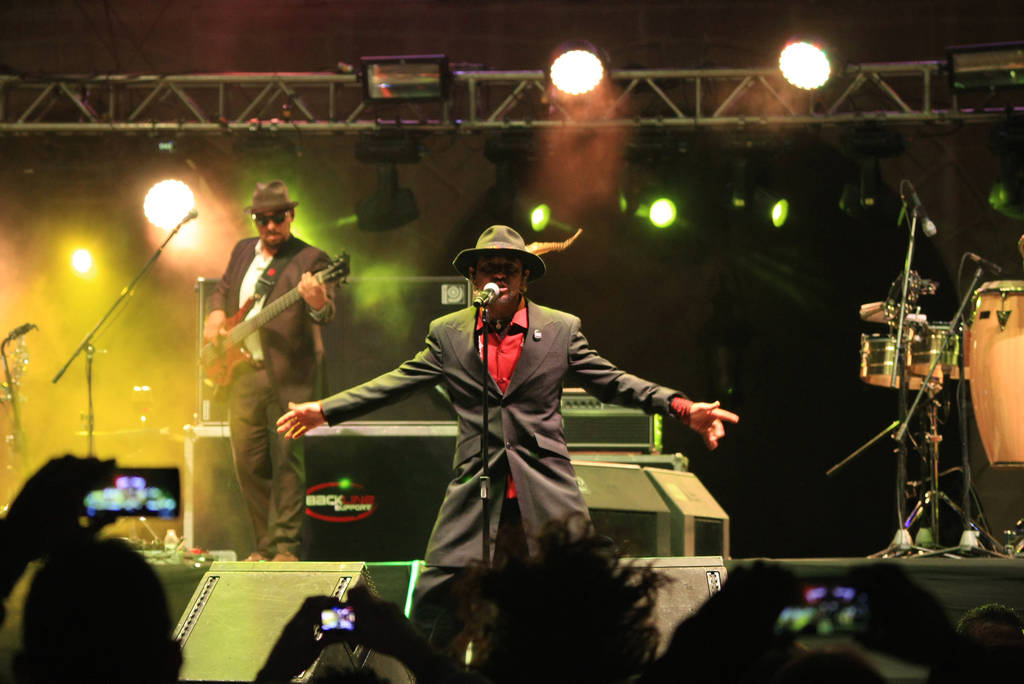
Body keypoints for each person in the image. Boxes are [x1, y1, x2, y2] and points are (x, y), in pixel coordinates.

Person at [276, 224, 738, 644]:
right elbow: (394, 383)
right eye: (488, 269)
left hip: (546, 494)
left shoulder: (559, 330)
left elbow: (615, 382)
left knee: (577, 609)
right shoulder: (450, 333)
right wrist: (325, 411)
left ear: (524, 278)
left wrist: (682, 408)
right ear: (473, 277)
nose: (498, 277)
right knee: (435, 609)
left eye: (509, 270)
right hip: (476, 496)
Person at [203, 179, 335, 562]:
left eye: (278, 218)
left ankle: (286, 548)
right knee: (248, 464)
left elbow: (326, 313)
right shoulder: (243, 250)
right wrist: (215, 313)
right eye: (262, 219)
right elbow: (222, 289)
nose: (271, 226)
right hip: (243, 374)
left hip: (289, 377)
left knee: (288, 462)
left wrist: (317, 301)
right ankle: (264, 546)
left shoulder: (312, 260)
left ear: (291, 215)